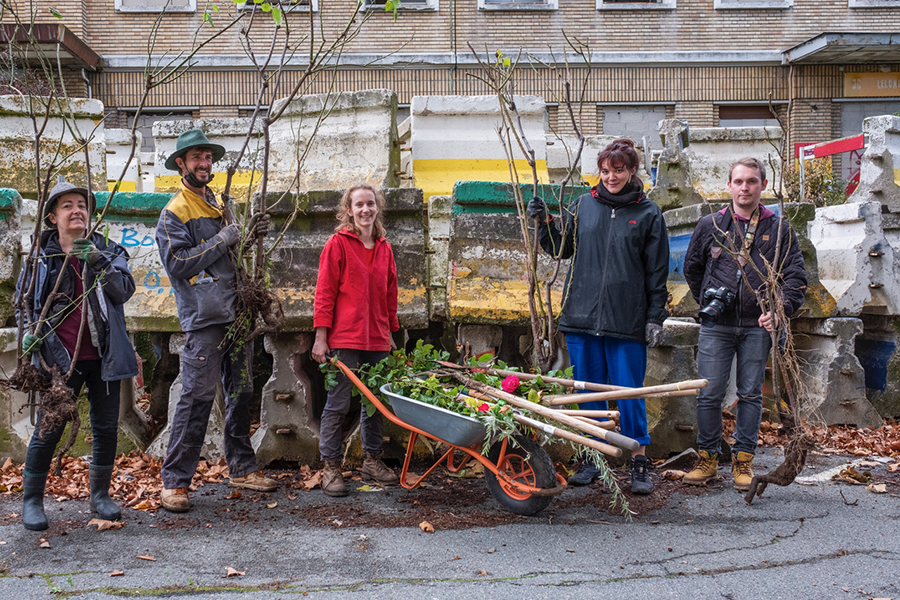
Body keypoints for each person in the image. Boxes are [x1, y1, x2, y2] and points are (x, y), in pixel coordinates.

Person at [527, 138, 670, 495]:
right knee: (588, 392)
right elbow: (562, 249)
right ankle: (593, 457)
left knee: (628, 392)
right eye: (605, 171)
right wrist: (543, 223)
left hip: (627, 320)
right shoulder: (582, 206)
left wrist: (655, 316)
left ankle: (638, 458)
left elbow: (657, 273)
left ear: (632, 170)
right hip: (582, 317)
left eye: (618, 170)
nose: (610, 177)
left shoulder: (649, 214)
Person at [156, 128, 274, 513]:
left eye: (207, 157)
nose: (204, 163)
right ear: (181, 164)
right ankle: (175, 482)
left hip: (237, 315)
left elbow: (232, 257)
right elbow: (178, 263)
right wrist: (224, 239)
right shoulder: (176, 212)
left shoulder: (221, 204)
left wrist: (250, 235)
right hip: (206, 320)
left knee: (241, 391)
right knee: (197, 397)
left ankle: (241, 467)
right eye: (196, 158)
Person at [18, 180, 139, 531]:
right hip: (58, 359)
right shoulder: (40, 257)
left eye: (82, 205)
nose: (77, 211)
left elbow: (123, 292)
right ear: (53, 216)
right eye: (67, 205)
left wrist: (99, 262)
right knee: (49, 428)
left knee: (105, 428)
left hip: (103, 356)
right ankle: (32, 500)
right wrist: (29, 333)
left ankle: (100, 496)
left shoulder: (108, 250)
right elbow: (23, 303)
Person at [682, 157, 806, 491]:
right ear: (729, 186)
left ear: (763, 185)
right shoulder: (712, 225)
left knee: (750, 394)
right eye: (738, 181)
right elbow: (692, 268)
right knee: (708, 393)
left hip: (758, 325)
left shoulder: (778, 228)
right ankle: (707, 459)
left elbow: (795, 276)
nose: (744, 188)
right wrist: (709, 300)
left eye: (751, 181)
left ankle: (743, 462)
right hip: (716, 325)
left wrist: (779, 310)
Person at [311, 184, 401, 497]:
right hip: (344, 336)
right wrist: (321, 337)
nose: (365, 210)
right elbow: (324, 292)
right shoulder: (337, 244)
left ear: (377, 208)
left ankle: (372, 462)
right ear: (349, 210)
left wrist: (389, 333)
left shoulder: (384, 247)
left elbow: (390, 293)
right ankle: (331, 467)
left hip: (376, 337)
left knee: (375, 402)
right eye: (359, 205)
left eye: (370, 204)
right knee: (337, 403)